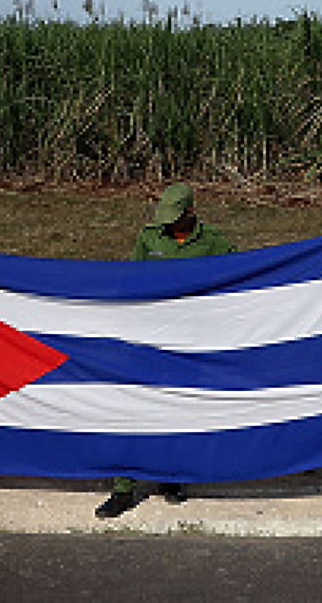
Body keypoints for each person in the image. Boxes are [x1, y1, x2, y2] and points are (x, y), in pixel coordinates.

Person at [95, 182, 236, 519]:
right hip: (149, 339)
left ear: (191, 212)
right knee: (132, 412)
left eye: (176, 217)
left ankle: (170, 477)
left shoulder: (213, 242)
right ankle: (123, 488)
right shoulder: (150, 238)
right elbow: (130, 280)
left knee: (178, 411)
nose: (169, 224)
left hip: (189, 342)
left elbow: (239, 277)